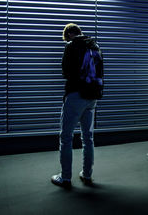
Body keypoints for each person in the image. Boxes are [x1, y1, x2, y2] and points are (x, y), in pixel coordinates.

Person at [51, 23, 103, 189]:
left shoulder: (71, 46)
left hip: (76, 95)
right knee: (88, 137)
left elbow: (65, 72)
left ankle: (65, 178)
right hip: (92, 97)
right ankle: (87, 174)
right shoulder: (95, 46)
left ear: (69, 35)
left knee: (66, 137)